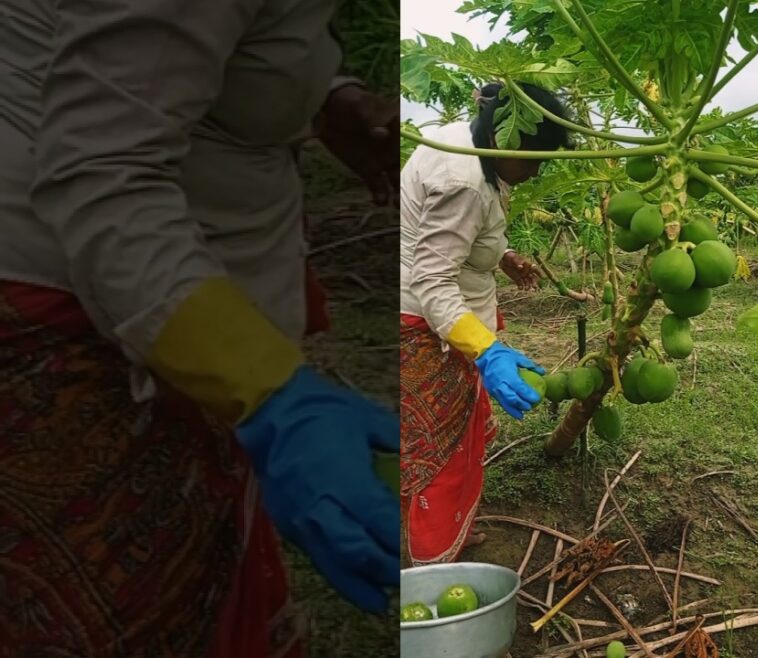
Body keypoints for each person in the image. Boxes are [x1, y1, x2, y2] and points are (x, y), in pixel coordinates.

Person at [0, 2, 400, 656]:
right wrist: (274, 398)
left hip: (155, 281)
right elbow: (103, 173)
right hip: (76, 285)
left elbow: (174, 36)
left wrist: (324, 96)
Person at [399, 82, 572, 566]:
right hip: (427, 324)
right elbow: (432, 280)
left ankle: (454, 528)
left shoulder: (470, 142)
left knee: (463, 435)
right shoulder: (463, 182)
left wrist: (504, 256)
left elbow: (464, 237)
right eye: (535, 159)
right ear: (507, 142)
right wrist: (488, 351)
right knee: (441, 451)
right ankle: (433, 565)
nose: (538, 172)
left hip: (456, 322)